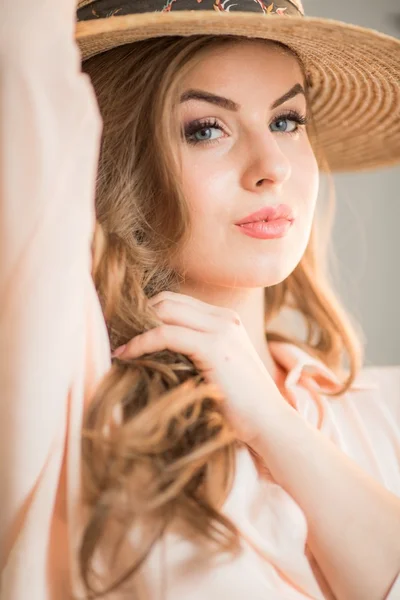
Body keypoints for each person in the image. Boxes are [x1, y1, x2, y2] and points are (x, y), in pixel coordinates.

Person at [1, 0, 400, 598]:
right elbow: (21, 64)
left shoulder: (387, 408)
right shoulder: (66, 398)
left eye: (288, 120)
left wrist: (272, 422)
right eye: (205, 129)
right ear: (115, 159)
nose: (272, 167)